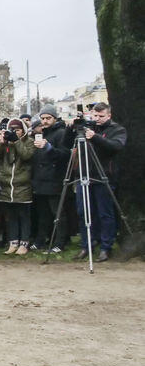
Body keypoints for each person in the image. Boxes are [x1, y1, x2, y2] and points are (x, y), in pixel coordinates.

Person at [71, 102, 126, 261]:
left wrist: (95, 137)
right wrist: (72, 128)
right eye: (95, 115)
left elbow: (115, 146)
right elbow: (67, 143)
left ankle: (106, 247)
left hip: (104, 176)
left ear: (109, 115)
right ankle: (86, 245)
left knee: (104, 213)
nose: (97, 119)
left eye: (101, 116)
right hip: (84, 175)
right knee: (83, 212)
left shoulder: (117, 130)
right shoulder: (87, 127)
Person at [0, 118, 35, 254]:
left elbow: (26, 155)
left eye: (17, 130)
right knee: (11, 216)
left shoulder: (29, 142)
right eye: (12, 130)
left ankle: (24, 243)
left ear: (23, 130)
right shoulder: (5, 143)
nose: (14, 132)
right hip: (6, 185)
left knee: (24, 215)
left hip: (22, 184)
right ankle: (13, 242)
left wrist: (16, 141)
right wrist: (2, 143)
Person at [30, 106, 70, 253]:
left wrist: (48, 148)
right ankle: (41, 240)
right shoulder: (41, 133)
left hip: (54, 179)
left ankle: (60, 242)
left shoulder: (61, 133)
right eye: (43, 118)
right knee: (43, 213)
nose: (45, 121)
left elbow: (64, 155)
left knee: (57, 213)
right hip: (40, 180)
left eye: (48, 118)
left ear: (55, 118)